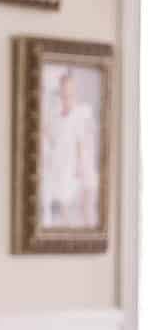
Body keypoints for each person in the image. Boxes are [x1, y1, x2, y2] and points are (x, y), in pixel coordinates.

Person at [40, 65, 99, 230]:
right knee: (65, 200)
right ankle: (68, 226)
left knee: (85, 202)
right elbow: (52, 137)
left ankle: (86, 225)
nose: (67, 98)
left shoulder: (81, 113)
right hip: (62, 160)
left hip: (76, 162)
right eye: (64, 94)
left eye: (70, 94)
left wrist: (80, 165)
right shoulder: (56, 115)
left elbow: (82, 141)